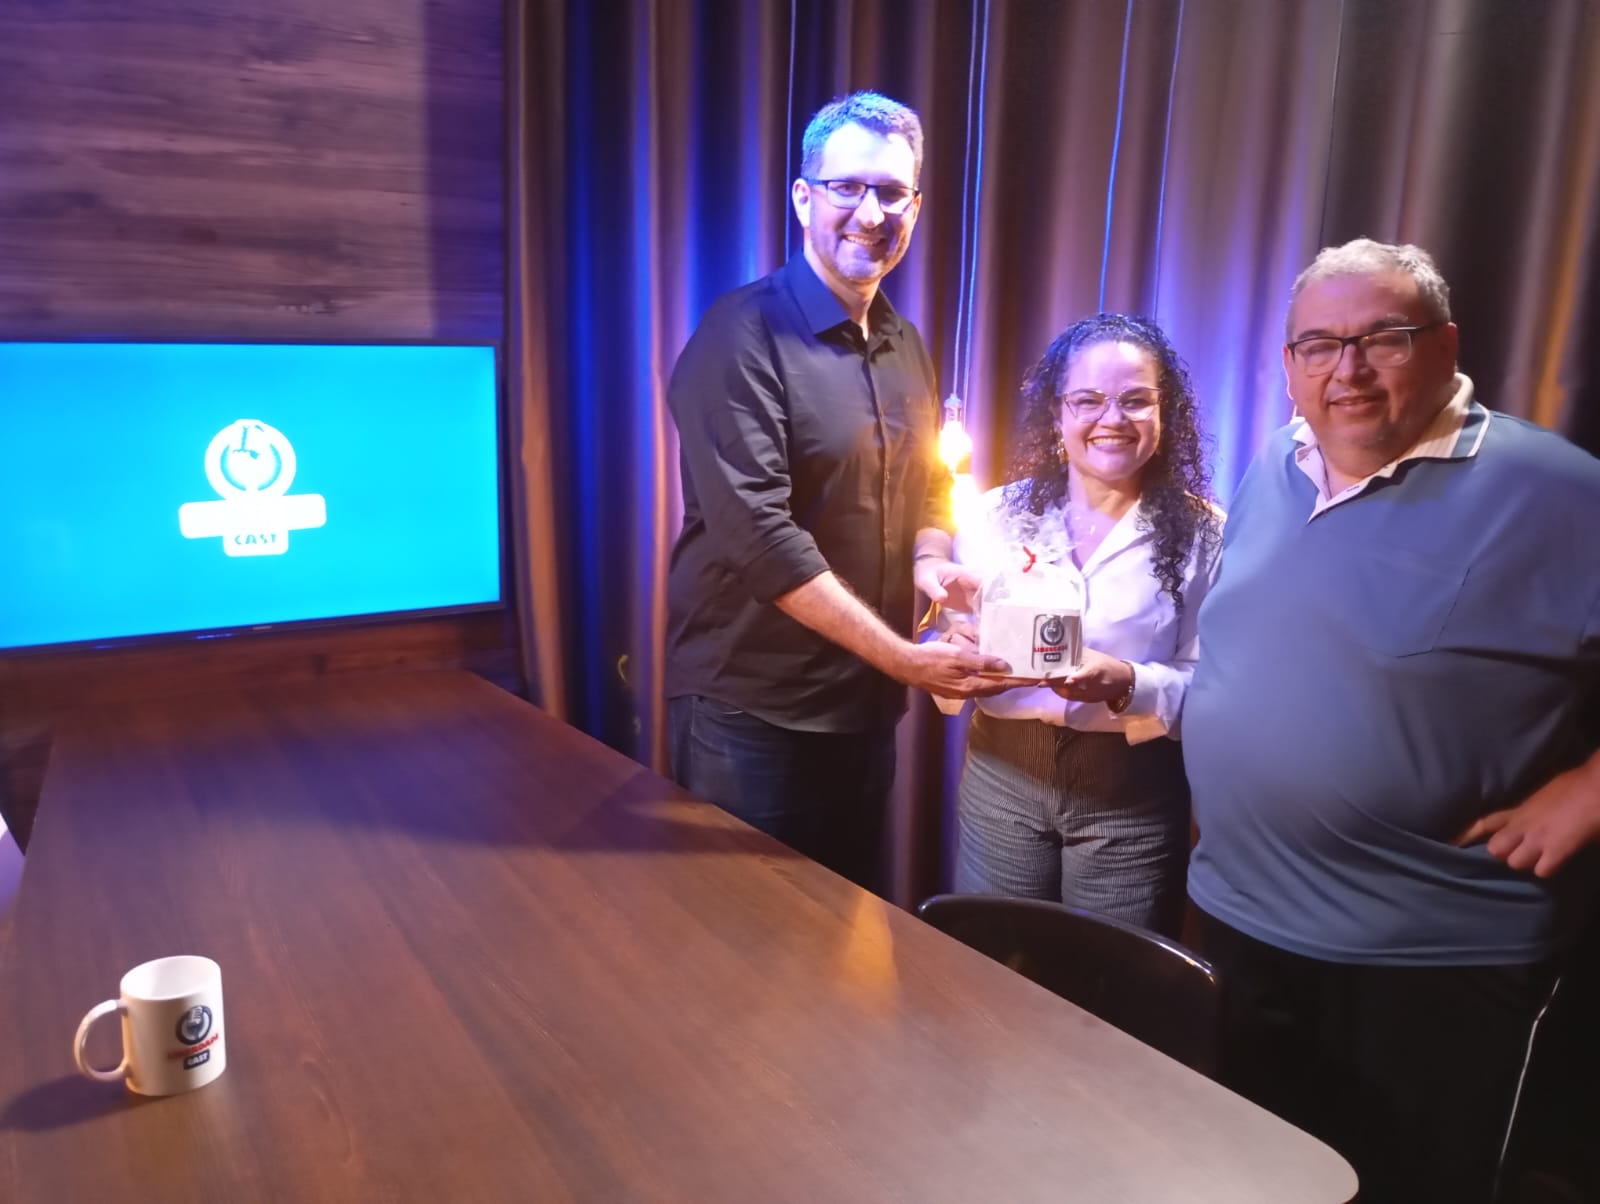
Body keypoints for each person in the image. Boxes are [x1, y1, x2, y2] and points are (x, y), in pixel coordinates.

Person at [1182, 238, 1600, 1203]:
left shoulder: (1552, 489)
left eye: (1382, 339)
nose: (1349, 370)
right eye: (1319, 345)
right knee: (1253, 1182)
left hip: (1428, 960)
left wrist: (1590, 791)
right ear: (1288, 365)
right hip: (1244, 923)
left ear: (1445, 345)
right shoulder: (1277, 463)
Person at [664, 91, 1008, 890]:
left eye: (891, 192)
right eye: (848, 187)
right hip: (752, 716)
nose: (870, 213)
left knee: (844, 934)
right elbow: (760, 539)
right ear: (803, 197)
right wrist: (904, 659)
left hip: (863, 710)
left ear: (914, 207)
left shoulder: (903, 342)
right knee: (747, 942)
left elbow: (929, 484)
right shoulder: (740, 334)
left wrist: (930, 564)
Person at [922, 314, 1222, 935]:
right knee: (991, 962)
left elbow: (1217, 686)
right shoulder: (993, 517)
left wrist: (1128, 683)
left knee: (1112, 976)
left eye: (1135, 400)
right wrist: (950, 648)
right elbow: (947, 641)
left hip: (1132, 793)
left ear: (1165, 414)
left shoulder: (1206, 534)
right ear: (1058, 414)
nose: (1112, 418)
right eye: (1087, 400)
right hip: (1001, 778)